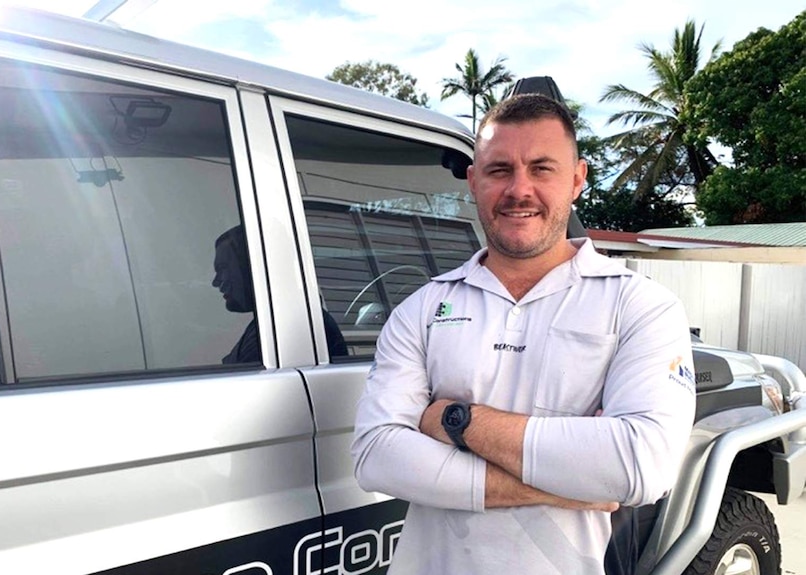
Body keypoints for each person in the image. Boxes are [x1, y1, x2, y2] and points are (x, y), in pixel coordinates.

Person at [351, 94, 696, 574]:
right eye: (499, 170)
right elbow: (376, 458)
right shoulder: (423, 308)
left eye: (541, 168)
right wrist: (560, 481)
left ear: (577, 179)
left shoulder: (638, 305)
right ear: (474, 181)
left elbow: (642, 464)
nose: (519, 189)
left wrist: (453, 419)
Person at [212, 226, 348, 364]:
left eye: (223, 268)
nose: (216, 282)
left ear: (255, 268)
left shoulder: (288, 327)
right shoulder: (274, 322)